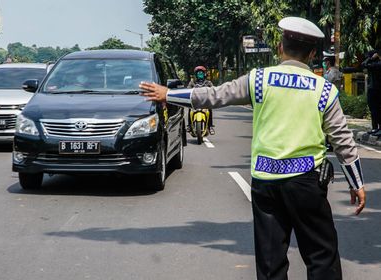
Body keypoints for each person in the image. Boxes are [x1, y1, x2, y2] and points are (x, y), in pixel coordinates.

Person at [140, 16, 366, 280]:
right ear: (313, 54)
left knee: (271, 263)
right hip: (306, 183)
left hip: (266, 183)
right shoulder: (323, 90)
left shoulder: (259, 80)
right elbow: (342, 140)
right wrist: (356, 182)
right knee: (321, 257)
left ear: (280, 47)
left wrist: (168, 94)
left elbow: (215, 95)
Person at [187, 66, 215, 135]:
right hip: (195, 102)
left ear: (204, 74)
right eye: (198, 73)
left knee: (210, 109)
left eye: (201, 73)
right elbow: (188, 89)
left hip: (205, 101)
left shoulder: (208, 83)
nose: (200, 74)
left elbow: (213, 90)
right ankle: (189, 126)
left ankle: (210, 126)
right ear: (196, 75)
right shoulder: (192, 83)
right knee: (190, 109)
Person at [362, 50, 381, 136]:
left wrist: (371, 58)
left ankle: (377, 128)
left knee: (376, 109)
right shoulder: (374, 64)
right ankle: (375, 128)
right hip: (373, 89)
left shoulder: (377, 64)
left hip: (375, 90)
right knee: (374, 109)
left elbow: (364, 64)